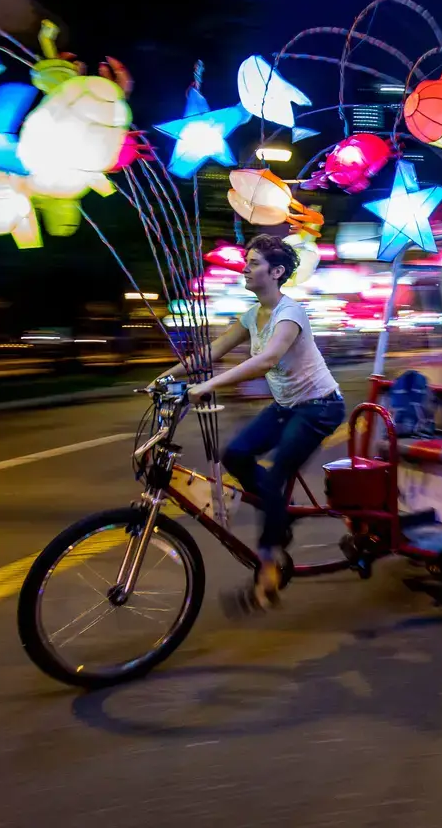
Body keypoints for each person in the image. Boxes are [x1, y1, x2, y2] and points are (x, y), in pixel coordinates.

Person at [154, 233, 344, 610]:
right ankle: (280, 514)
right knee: (236, 455)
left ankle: (269, 563)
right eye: (247, 261)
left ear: (276, 272)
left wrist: (207, 385)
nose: (245, 267)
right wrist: (166, 378)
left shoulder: (291, 313)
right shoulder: (250, 316)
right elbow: (212, 352)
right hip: (287, 406)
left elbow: (266, 361)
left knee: (275, 476)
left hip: (319, 407)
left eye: (254, 263)